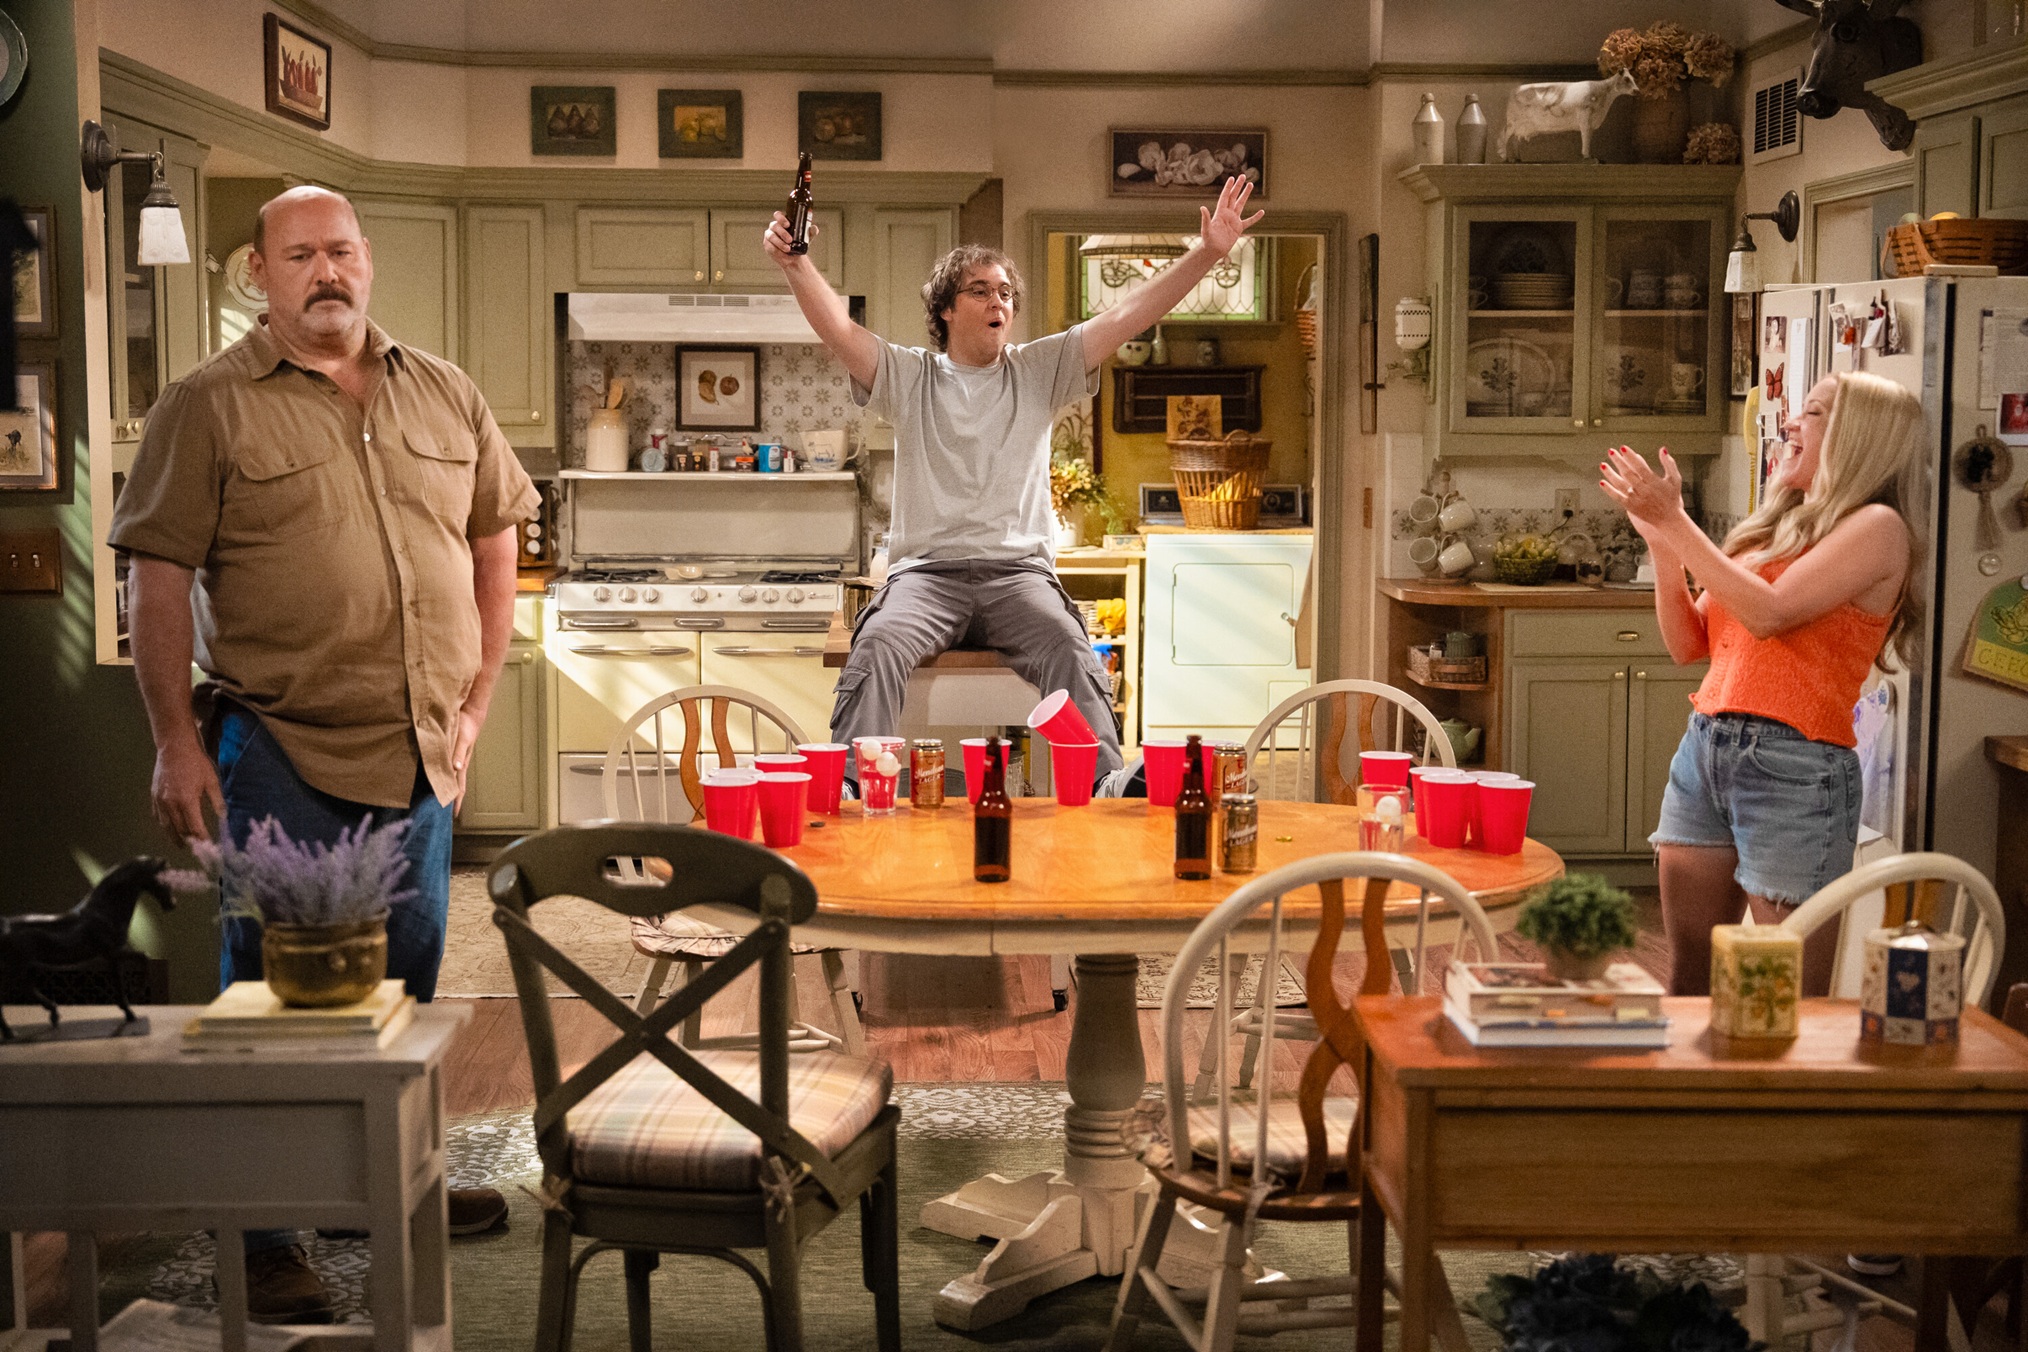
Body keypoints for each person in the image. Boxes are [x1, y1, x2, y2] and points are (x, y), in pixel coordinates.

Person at [109, 186, 537, 1322]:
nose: (326, 272)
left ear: (368, 260)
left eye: (340, 250)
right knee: (269, 998)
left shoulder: (444, 389)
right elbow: (156, 580)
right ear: (260, 273)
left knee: (404, 986)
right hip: (278, 748)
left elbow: (495, 540)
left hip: (422, 751)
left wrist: (478, 698)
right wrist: (173, 742)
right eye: (300, 255)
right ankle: (259, 1234)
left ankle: (371, 1188)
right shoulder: (206, 406)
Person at [765, 177, 1265, 785]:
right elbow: (841, 332)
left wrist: (1207, 253)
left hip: (1018, 578)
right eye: (979, 291)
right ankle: (853, 783)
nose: (997, 302)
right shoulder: (912, 376)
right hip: (927, 577)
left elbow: (1128, 314)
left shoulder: (1037, 370)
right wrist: (796, 264)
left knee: (1070, 646)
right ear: (946, 309)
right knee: (876, 646)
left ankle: (1106, 782)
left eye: (1005, 292)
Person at [1599, 371, 1924, 1001]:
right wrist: (1662, 543)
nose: (1790, 423)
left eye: (1813, 412)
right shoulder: (1778, 527)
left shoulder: (1879, 527)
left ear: (1859, 436)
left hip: (1796, 768)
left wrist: (1677, 521)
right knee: (1691, 978)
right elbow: (1687, 644)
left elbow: (1770, 614)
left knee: (1783, 993)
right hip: (1705, 751)